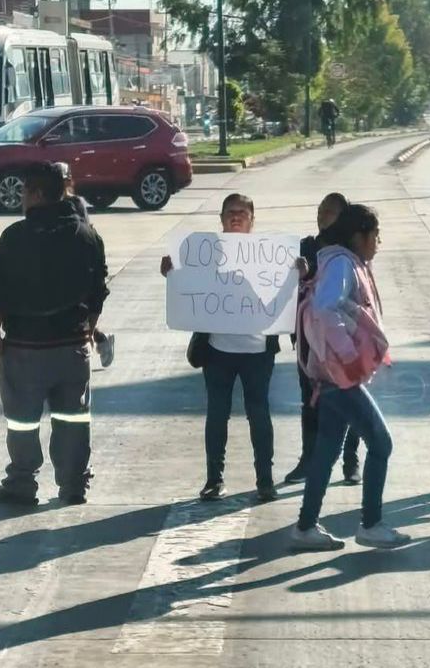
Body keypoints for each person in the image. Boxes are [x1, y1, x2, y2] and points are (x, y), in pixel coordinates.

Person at [0, 162, 109, 506]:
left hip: (24, 347)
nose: (22, 199)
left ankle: (21, 483)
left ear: (37, 194)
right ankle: (73, 485)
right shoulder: (88, 236)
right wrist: (88, 328)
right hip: (72, 346)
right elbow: (98, 290)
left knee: (22, 421)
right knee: (73, 418)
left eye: (24, 192)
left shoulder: (14, 236)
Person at [289, 204, 410, 551]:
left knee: (327, 450)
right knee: (381, 443)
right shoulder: (342, 263)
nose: (378, 243)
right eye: (376, 236)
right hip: (339, 376)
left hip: (329, 376)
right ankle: (371, 524)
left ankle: (305, 527)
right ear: (359, 236)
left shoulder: (340, 261)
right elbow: (325, 309)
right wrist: (347, 355)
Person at [160, 194, 282, 502]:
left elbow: (284, 294)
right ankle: (214, 479)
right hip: (217, 350)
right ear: (222, 218)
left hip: (257, 352)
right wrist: (171, 273)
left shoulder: (269, 256)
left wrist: (297, 273)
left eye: (242, 212)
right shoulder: (206, 255)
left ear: (252, 219)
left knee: (259, 414)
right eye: (230, 212)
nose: (236, 217)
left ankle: (265, 479)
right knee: (217, 415)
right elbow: (188, 288)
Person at [284, 192, 362, 485]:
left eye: (328, 212)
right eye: (319, 210)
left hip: (344, 339)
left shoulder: (351, 252)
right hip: (309, 341)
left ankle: (351, 461)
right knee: (310, 402)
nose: (321, 216)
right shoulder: (304, 247)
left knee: (352, 400)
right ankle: (309, 458)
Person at [53, 162, 114, 368]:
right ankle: (100, 339)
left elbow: (83, 230)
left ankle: (100, 339)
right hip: (56, 264)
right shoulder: (44, 203)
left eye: (62, 181)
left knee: (81, 314)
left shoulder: (75, 203)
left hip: (77, 264)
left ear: (68, 181)